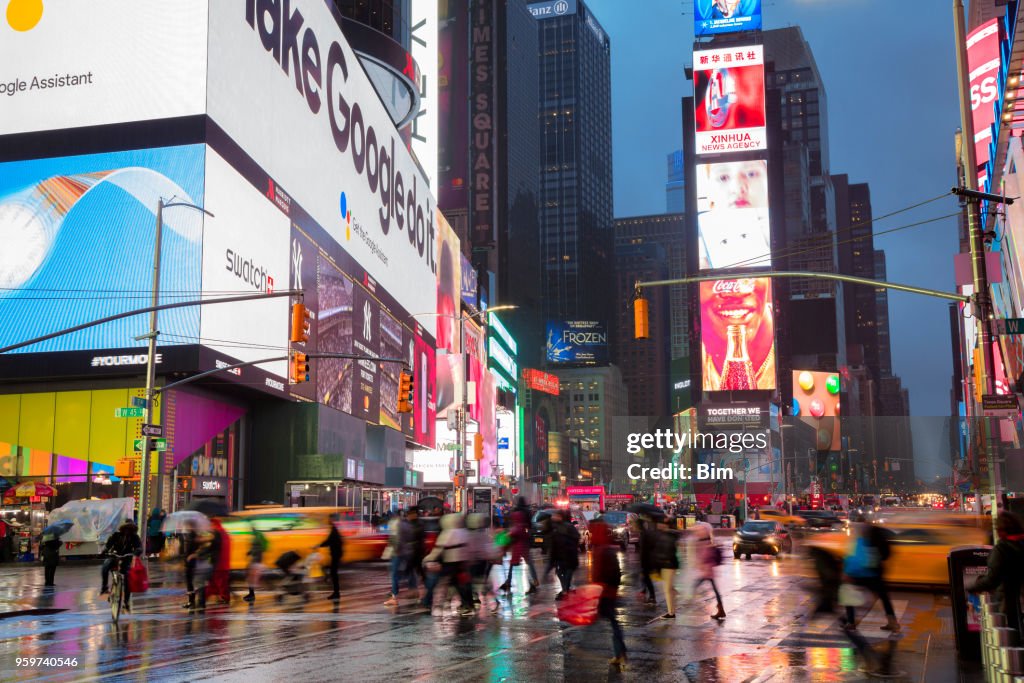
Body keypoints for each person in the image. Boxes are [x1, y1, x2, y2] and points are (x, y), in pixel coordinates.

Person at [699, 278, 776, 391]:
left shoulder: (799, 340)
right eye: (713, 276)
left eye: (749, 272)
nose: (735, 293)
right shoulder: (688, 355)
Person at [969, 512, 1024, 636]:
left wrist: (972, 587)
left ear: (1002, 531)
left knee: (1012, 639)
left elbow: (993, 579)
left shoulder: (1001, 549)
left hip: (1010, 603)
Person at [841, 522, 899, 632]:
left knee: (848, 593)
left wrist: (846, 572)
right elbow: (885, 555)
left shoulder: (858, 541)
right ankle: (893, 622)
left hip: (859, 574)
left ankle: (851, 622)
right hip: (875, 573)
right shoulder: (876, 538)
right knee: (884, 597)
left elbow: (853, 559)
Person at [590, 520, 626, 670]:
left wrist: (596, 590)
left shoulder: (600, 550)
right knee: (612, 622)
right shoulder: (608, 549)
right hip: (609, 591)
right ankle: (619, 652)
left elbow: (597, 574)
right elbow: (617, 573)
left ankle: (620, 651)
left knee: (605, 622)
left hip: (603, 593)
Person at [422, 513, 474, 616]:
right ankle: (468, 604)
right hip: (463, 563)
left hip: (450, 563)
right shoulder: (464, 532)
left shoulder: (447, 533)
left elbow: (437, 550)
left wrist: (427, 559)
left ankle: (438, 606)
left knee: (443, 583)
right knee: (462, 584)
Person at [502, 497, 539, 595]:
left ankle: (508, 582)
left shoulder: (515, 514)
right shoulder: (527, 513)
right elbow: (530, 526)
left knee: (513, 563)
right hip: (524, 540)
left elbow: (512, 526)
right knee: (529, 562)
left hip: (517, 541)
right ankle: (534, 580)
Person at [691, 522, 726, 620]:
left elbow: (707, 556)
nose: (698, 532)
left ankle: (720, 610)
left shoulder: (708, 543)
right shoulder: (702, 542)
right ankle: (721, 610)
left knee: (694, 586)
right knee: (715, 590)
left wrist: (701, 563)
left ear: (705, 532)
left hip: (708, 570)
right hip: (706, 571)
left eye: (700, 531)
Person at [103, 521, 143, 608]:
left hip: (127, 559)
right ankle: (104, 588)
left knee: (128, 579)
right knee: (105, 567)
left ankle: (126, 601)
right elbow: (108, 545)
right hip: (114, 557)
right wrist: (105, 550)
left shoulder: (135, 537)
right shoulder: (116, 535)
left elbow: (139, 547)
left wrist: (136, 552)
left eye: (130, 528)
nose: (127, 530)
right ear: (123, 528)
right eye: (126, 528)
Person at [653, 517, 681, 619]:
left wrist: (663, 560)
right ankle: (676, 595)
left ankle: (671, 613)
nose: (658, 525)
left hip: (668, 564)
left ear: (665, 525)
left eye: (660, 523)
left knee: (667, 589)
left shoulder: (668, 535)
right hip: (666, 564)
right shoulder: (665, 534)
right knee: (667, 588)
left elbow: (668, 551)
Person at [549, 510, 580, 600]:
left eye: (556, 515)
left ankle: (565, 590)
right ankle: (565, 589)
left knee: (566, 572)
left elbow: (576, 538)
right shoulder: (555, 526)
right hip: (561, 555)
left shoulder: (567, 526)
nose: (553, 517)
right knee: (560, 572)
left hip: (568, 554)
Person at [205, 517, 232, 606]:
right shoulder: (223, 532)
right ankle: (204, 598)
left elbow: (213, 547)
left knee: (219, 582)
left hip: (219, 563)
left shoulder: (217, 533)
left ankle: (224, 598)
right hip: (223, 562)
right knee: (216, 582)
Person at [320, 514, 344, 600]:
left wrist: (319, 545)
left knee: (334, 573)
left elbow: (329, 541)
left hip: (336, 554)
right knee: (333, 573)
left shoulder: (334, 530)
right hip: (336, 554)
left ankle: (336, 593)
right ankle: (336, 592)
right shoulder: (334, 529)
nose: (328, 521)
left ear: (332, 520)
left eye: (329, 519)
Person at [243, 526, 268, 603]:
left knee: (251, 578)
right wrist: (249, 552)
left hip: (256, 562)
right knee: (251, 578)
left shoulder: (256, 540)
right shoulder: (257, 540)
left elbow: (256, 550)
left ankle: (251, 595)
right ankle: (251, 594)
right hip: (256, 561)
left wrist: (251, 555)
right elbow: (254, 549)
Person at [181, 519, 201, 609]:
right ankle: (191, 601)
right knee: (190, 582)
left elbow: (193, 549)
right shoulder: (191, 535)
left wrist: (191, 556)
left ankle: (192, 601)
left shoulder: (194, 536)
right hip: (190, 562)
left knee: (190, 582)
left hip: (191, 562)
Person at [636, 517, 657, 606]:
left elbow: (645, 550)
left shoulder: (644, 534)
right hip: (647, 560)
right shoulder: (644, 533)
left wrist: (643, 563)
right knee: (645, 578)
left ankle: (652, 596)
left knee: (647, 579)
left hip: (647, 561)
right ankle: (645, 591)